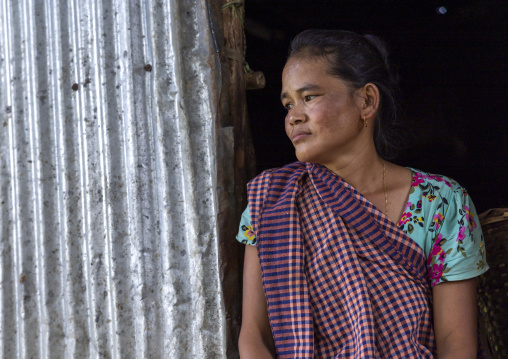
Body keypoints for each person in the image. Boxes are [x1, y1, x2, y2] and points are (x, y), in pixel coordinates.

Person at [236, 30, 488, 359]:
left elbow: (456, 342)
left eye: (309, 97)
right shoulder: (271, 203)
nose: (293, 116)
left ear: (366, 101)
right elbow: (254, 337)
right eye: (288, 104)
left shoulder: (441, 202)